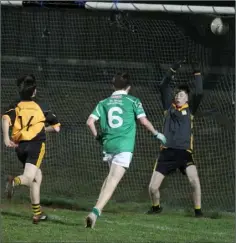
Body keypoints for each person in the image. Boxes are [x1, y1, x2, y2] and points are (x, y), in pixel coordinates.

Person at [85, 72, 166, 228]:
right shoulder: (133, 101)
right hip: (124, 146)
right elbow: (143, 121)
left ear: (112, 86)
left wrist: (97, 137)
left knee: (110, 178)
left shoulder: (104, 102)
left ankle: (97, 207)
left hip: (108, 145)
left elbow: (89, 122)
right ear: (129, 87)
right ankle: (95, 212)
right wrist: (156, 134)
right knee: (113, 181)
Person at [147, 59, 203, 217]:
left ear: (187, 98)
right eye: (177, 94)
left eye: (182, 95)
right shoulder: (168, 108)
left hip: (185, 153)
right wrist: (172, 69)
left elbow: (199, 92)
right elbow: (163, 85)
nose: (178, 97)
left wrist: (197, 72)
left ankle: (198, 212)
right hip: (167, 154)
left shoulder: (190, 110)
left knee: (194, 181)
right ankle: (156, 208)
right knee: (152, 188)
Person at [2, 74, 61, 224]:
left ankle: (37, 213)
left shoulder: (15, 106)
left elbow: (4, 119)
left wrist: (6, 138)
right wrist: (43, 128)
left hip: (20, 147)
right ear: (34, 92)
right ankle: (13, 182)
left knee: (36, 177)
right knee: (28, 177)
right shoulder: (42, 106)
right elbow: (57, 127)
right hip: (36, 145)